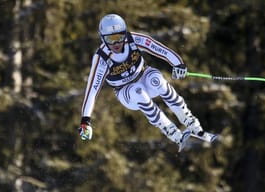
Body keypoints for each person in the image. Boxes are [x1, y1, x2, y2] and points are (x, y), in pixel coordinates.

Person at [79, 13, 205, 151]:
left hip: (144, 77)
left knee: (156, 78)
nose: (116, 43)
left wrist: (178, 64)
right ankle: (170, 130)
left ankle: (189, 120)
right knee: (137, 91)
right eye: (110, 39)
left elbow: (160, 50)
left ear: (125, 33)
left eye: (119, 37)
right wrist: (85, 120)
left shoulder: (134, 39)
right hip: (126, 92)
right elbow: (92, 90)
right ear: (102, 38)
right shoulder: (102, 59)